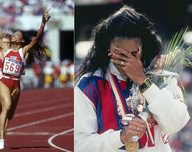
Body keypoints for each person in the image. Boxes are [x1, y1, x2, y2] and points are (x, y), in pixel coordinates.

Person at [74, 6, 190, 152]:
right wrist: (121, 137)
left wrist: (142, 80)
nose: (126, 62)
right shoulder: (89, 85)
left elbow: (177, 123)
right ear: (108, 48)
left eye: (133, 53)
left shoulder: (161, 76)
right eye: (119, 55)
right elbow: (79, 145)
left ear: (142, 46)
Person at [0, 3, 50, 150]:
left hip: (16, 85)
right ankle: (0, 139)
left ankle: (1, 131)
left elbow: (36, 39)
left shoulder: (23, 51)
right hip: (4, 82)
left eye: (17, 35)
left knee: (9, 115)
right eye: (13, 34)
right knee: (5, 106)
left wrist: (43, 24)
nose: (14, 35)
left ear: (20, 41)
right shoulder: (6, 48)